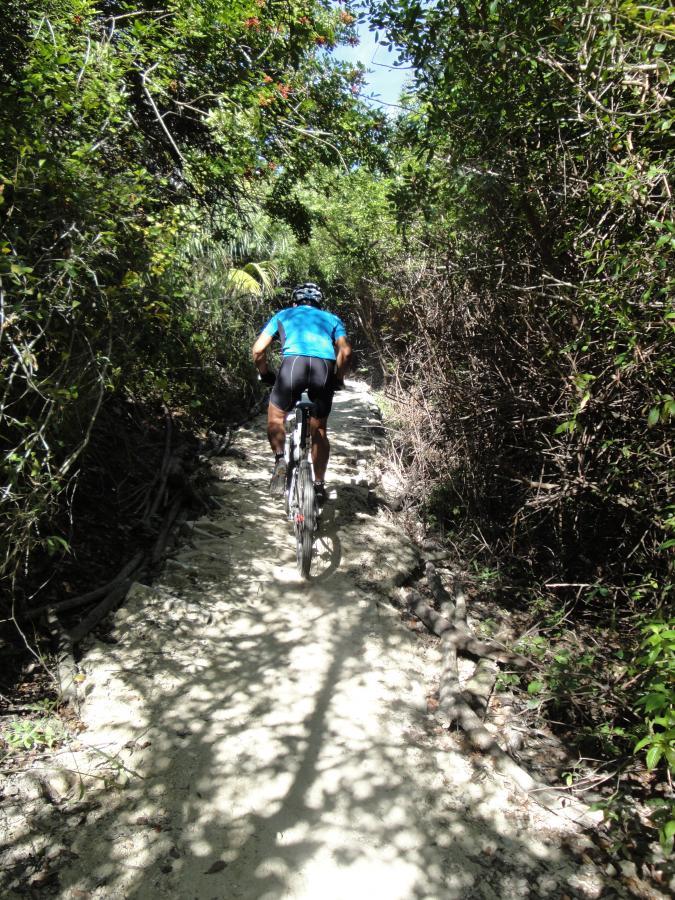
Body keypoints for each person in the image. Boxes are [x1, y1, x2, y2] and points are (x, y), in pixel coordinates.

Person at [251, 282, 352, 501]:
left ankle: (280, 461)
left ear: (295, 301)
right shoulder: (332, 319)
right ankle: (318, 484)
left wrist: (266, 373)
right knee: (320, 430)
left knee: (276, 418)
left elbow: (258, 349)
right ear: (318, 302)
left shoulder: (284, 315)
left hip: (292, 366)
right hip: (323, 369)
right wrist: (338, 379)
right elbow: (345, 351)